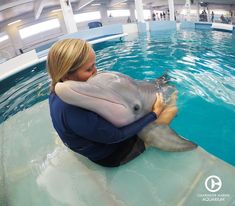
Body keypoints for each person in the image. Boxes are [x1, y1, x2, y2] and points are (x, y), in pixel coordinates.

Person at [47, 39, 177, 167]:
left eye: (94, 65)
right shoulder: (74, 112)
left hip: (88, 141)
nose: (95, 71)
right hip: (112, 154)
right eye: (89, 69)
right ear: (66, 75)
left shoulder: (55, 92)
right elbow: (116, 136)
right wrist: (154, 114)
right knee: (169, 110)